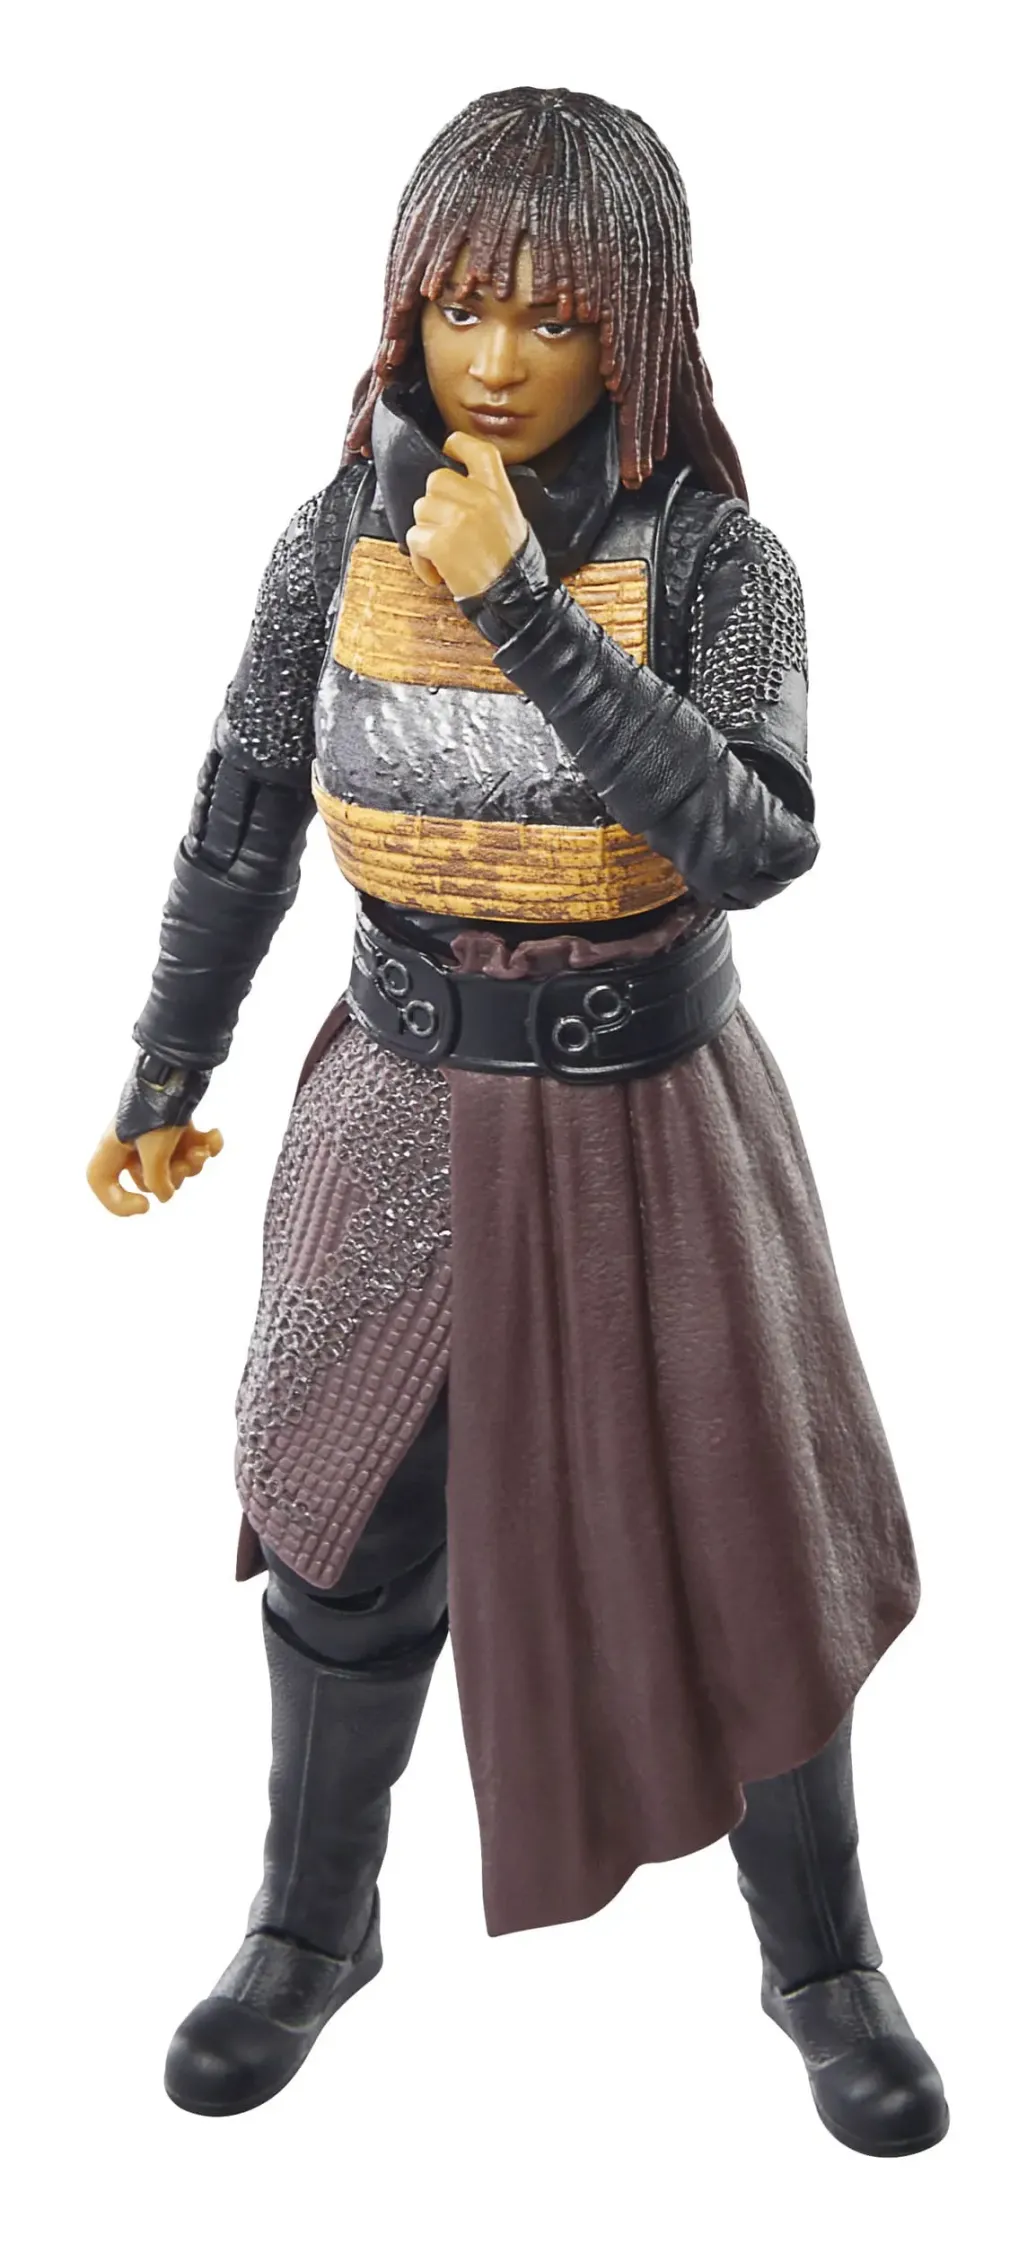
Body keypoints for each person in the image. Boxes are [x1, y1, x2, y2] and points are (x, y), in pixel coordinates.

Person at [86, 86, 948, 2155]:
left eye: (553, 319)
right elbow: (245, 805)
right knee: (341, 1521)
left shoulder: (720, 561)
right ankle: (310, 1924)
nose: (495, 360)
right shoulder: (331, 536)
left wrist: (524, 609)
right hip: (397, 1094)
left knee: (744, 1541)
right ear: (403, 309)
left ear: (634, 326)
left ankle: (822, 1959)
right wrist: (170, 1062)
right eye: (461, 308)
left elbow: (748, 841)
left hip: (642, 1108)